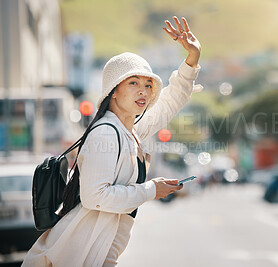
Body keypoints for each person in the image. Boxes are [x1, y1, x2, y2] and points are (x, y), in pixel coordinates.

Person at [22, 16, 202, 267]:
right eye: (133, 83)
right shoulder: (106, 133)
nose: (144, 91)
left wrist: (192, 58)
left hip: (98, 252)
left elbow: (169, 104)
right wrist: (152, 189)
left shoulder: (129, 131)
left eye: (149, 85)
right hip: (77, 254)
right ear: (113, 89)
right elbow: (95, 196)